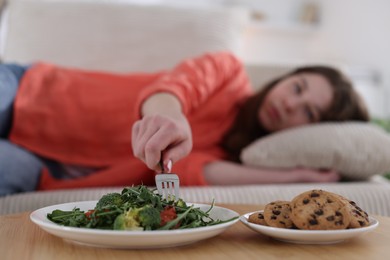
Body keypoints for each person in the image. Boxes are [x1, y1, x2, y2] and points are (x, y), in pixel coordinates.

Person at [0, 51, 369, 196]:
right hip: (33, 92)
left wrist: (295, 177)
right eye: (297, 87)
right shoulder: (228, 72)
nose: (290, 103)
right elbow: (176, 86)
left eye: (308, 113)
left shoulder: (237, 159)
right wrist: (171, 115)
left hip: (47, 174)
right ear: (287, 77)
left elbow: (193, 171)